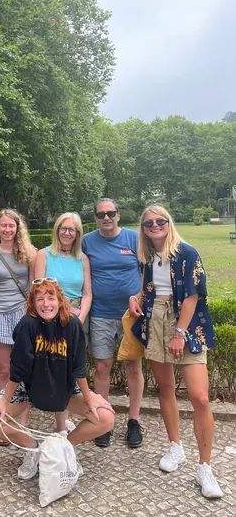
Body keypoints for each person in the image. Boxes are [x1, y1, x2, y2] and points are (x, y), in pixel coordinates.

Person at [129, 205, 223, 499]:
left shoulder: (186, 252)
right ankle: (175, 446)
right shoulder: (147, 257)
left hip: (185, 322)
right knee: (165, 387)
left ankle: (205, 467)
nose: (154, 225)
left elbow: (193, 295)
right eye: (148, 223)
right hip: (154, 319)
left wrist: (180, 332)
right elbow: (149, 288)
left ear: (169, 223)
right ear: (143, 229)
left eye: (160, 221)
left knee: (200, 397)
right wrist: (135, 297)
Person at [0, 278, 114, 481]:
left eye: (51, 298)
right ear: (32, 303)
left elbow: (78, 368)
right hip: (29, 388)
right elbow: (18, 369)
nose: (46, 304)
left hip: (64, 387)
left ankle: (63, 449)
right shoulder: (27, 325)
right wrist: (3, 400)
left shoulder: (72, 325)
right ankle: (34, 449)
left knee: (105, 418)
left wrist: (90, 397)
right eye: (40, 299)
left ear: (60, 300)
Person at [81, 198, 144, 449]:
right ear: (95, 218)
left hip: (131, 315)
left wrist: (138, 298)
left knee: (133, 365)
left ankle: (134, 420)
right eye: (101, 214)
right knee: (102, 366)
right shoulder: (87, 241)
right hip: (100, 314)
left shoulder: (134, 238)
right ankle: (103, 420)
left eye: (110, 213)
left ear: (118, 215)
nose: (106, 218)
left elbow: (146, 272)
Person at [0, 209, 36, 440]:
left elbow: (33, 288)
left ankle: (23, 420)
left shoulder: (30, 253)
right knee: (3, 370)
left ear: (17, 228)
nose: (7, 229)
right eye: (3, 225)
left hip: (23, 314)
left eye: (11, 225)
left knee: (24, 369)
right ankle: (3, 420)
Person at [33, 211, 92, 432]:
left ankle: (65, 418)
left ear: (78, 233)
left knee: (73, 369)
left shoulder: (82, 259)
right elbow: (37, 289)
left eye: (72, 230)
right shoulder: (44, 255)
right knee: (57, 368)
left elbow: (87, 293)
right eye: (63, 228)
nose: (67, 233)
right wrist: (57, 313)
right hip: (51, 315)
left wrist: (80, 318)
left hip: (77, 317)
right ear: (57, 230)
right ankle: (60, 427)